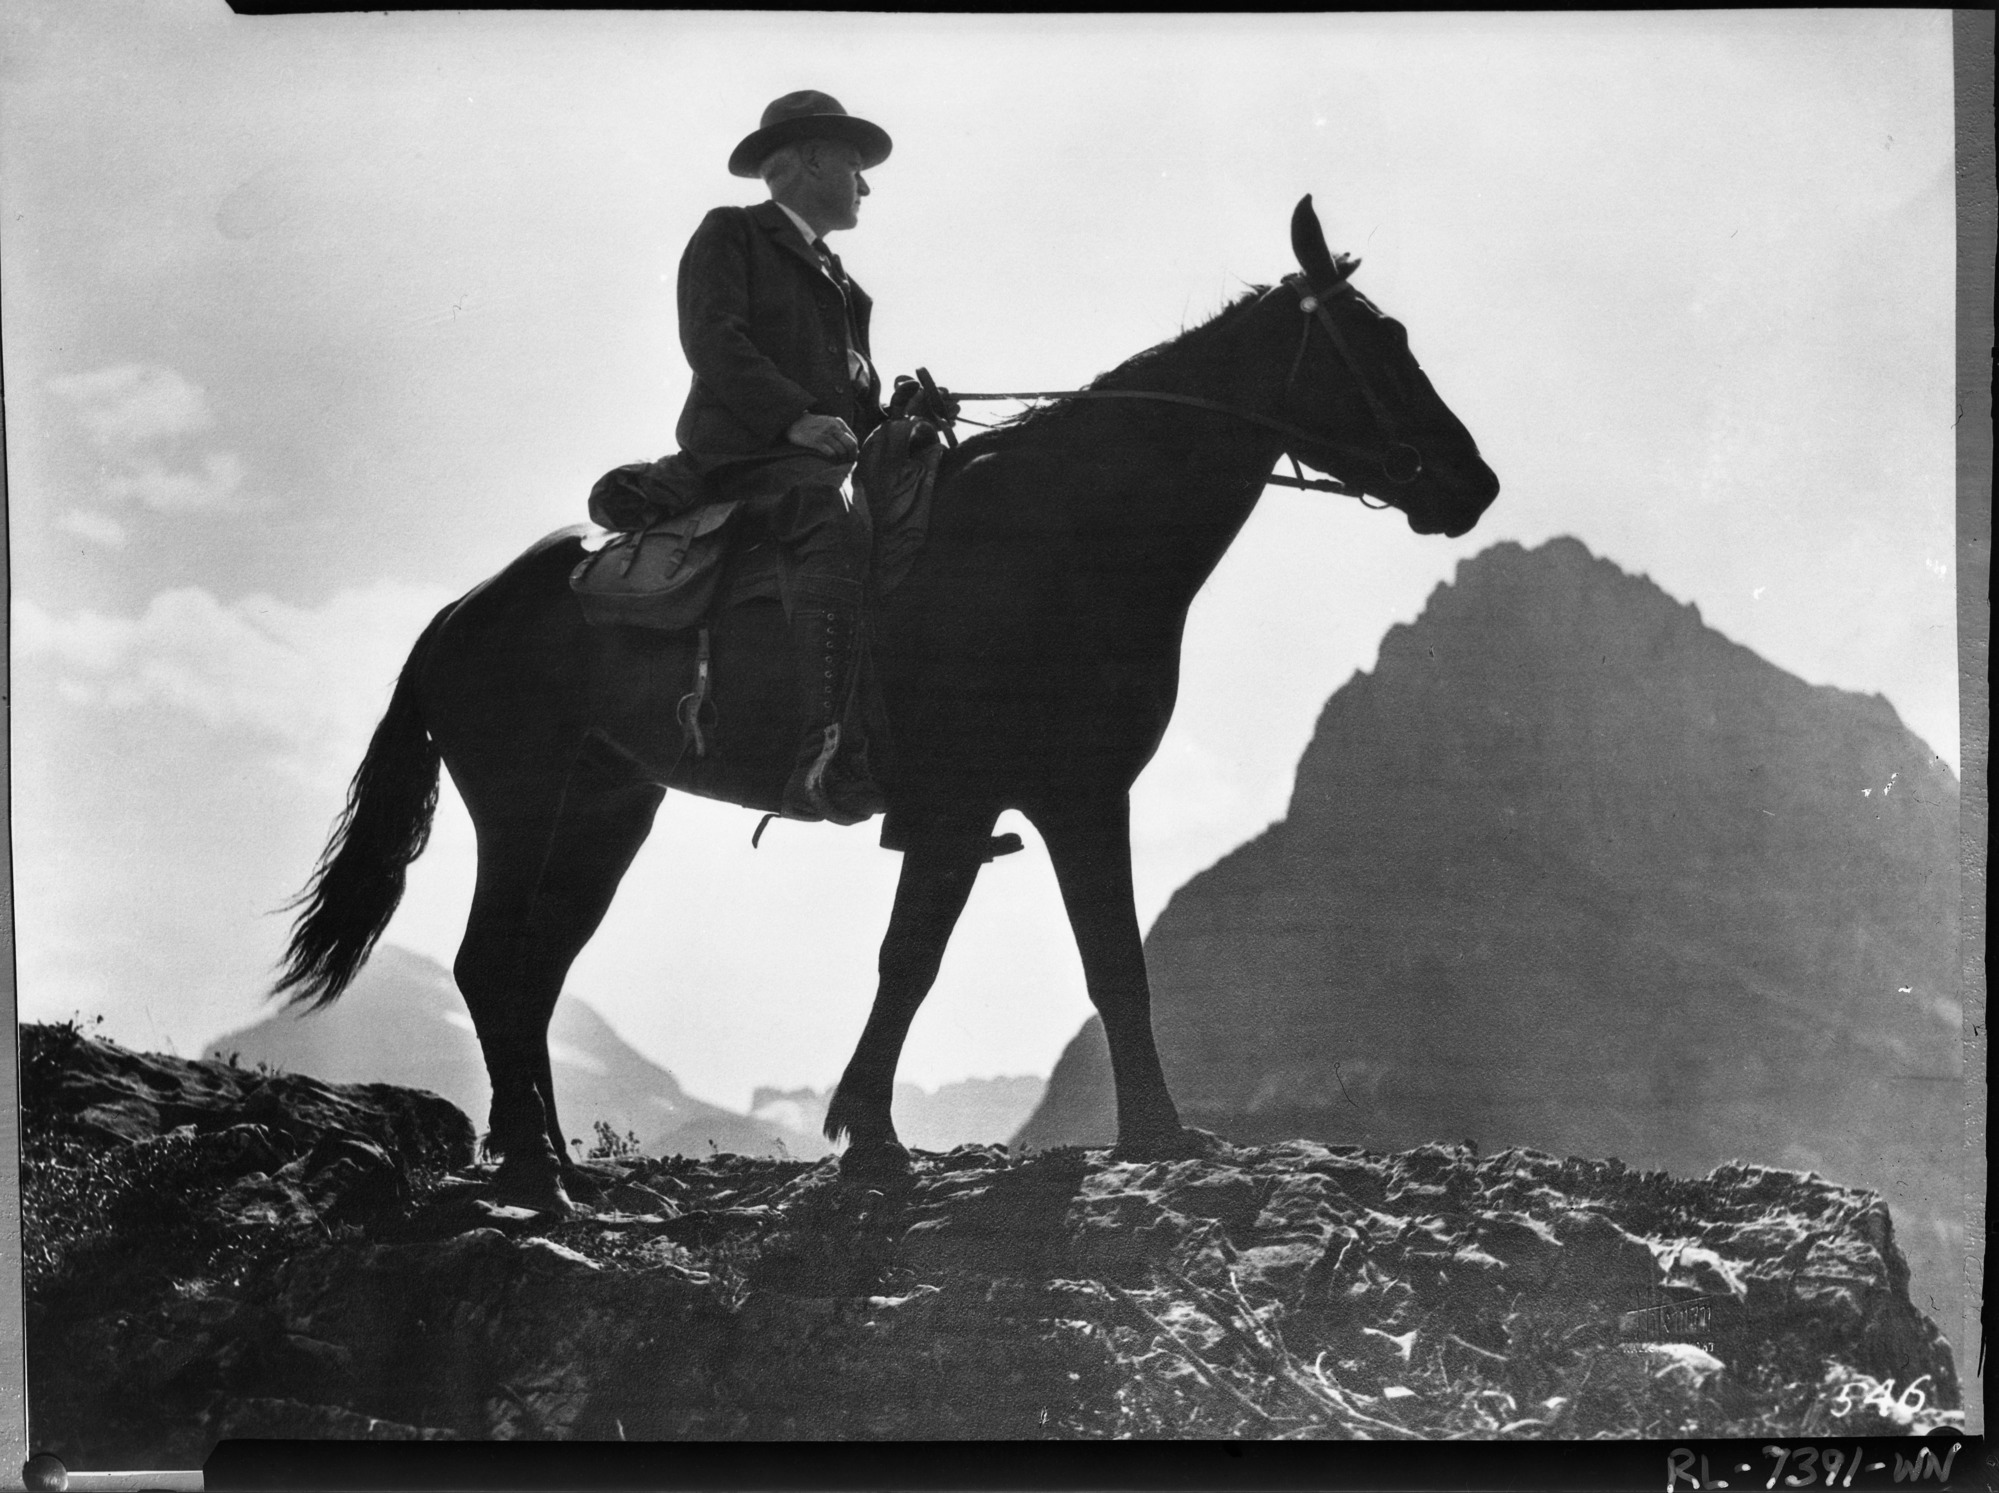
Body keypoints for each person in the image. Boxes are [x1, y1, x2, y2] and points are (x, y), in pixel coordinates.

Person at [673, 89, 905, 826]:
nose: (864, 184)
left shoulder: (843, 284)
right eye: (853, 166)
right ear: (810, 158)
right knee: (830, 518)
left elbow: (850, 405)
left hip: (817, 456)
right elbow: (713, 340)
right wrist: (796, 419)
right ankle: (825, 751)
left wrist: (899, 417)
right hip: (746, 455)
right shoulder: (733, 233)